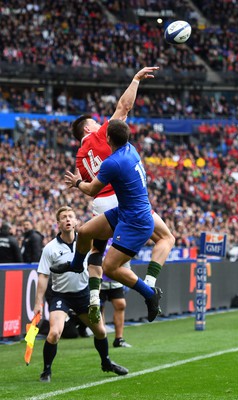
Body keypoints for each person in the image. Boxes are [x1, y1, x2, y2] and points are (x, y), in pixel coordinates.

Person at [51, 67, 175, 323]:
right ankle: (149, 287)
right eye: (95, 122)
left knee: (86, 236)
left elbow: (89, 185)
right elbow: (124, 106)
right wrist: (135, 80)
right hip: (125, 204)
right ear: (89, 129)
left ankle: (85, 277)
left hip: (102, 201)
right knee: (165, 238)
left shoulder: (80, 157)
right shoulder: (109, 141)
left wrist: (77, 184)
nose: (100, 123)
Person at [34, 206, 128, 383]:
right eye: (63, 217)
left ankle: (106, 362)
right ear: (58, 223)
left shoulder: (87, 243)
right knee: (54, 333)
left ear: (76, 222)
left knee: (100, 332)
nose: (68, 219)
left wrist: (95, 290)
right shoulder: (50, 248)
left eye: (71, 216)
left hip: (83, 294)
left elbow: (95, 266)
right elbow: (43, 275)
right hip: (60, 296)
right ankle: (46, 371)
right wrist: (38, 303)